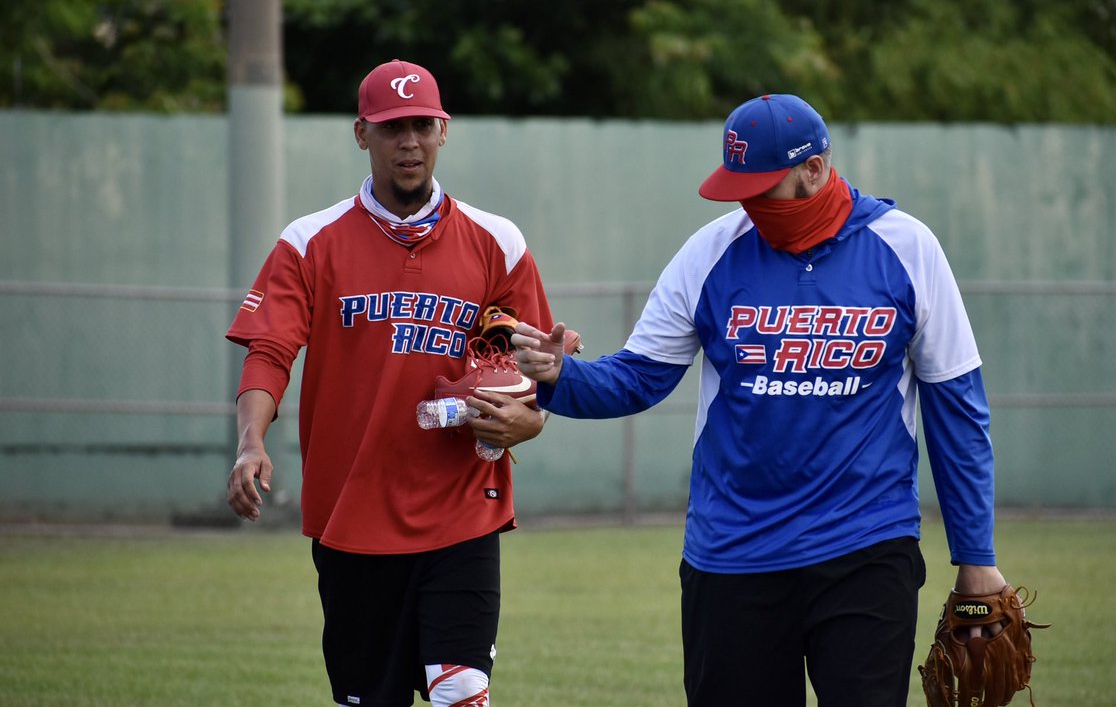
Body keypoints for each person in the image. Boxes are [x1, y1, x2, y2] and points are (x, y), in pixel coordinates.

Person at [508, 94, 1008, 706]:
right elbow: (639, 377)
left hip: (865, 546)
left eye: (762, 188)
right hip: (733, 554)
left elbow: (956, 409)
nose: (749, 204)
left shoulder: (908, 249)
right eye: (738, 189)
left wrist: (976, 556)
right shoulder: (711, 253)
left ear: (815, 170)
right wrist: (560, 376)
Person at [225, 59, 554, 707]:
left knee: (461, 694)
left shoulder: (498, 243)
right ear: (360, 134)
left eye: (422, 125)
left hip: (462, 510)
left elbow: (527, 372)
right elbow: (269, 349)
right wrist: (250, 441)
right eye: (392, 127)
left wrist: (527, 418)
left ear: (443, 131)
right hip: (352, 515)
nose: (409, 141)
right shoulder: (309, 243)